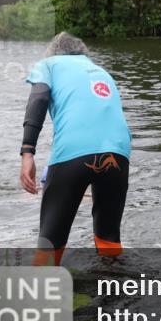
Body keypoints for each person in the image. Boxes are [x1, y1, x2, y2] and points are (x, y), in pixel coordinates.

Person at [19, 32, 132, 265]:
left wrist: (27, 151)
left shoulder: (48, 65)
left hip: (74, 152)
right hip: (118, 153)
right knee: (108, 238)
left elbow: (38, 99)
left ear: (54, 52)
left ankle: (39, 293)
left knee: (51, 241)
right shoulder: (101, 71)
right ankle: (116, 291)